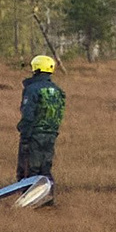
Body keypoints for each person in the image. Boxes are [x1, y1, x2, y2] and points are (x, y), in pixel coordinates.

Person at [17, 55, 66, 185]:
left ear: (36, 69)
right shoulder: (57, 90)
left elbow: (28, 114)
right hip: (51, 134)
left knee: (29, 170)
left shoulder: (32, 89)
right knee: (45, 168)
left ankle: (29, 200)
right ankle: (48, 198)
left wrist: (25, 135)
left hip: (34, 134)